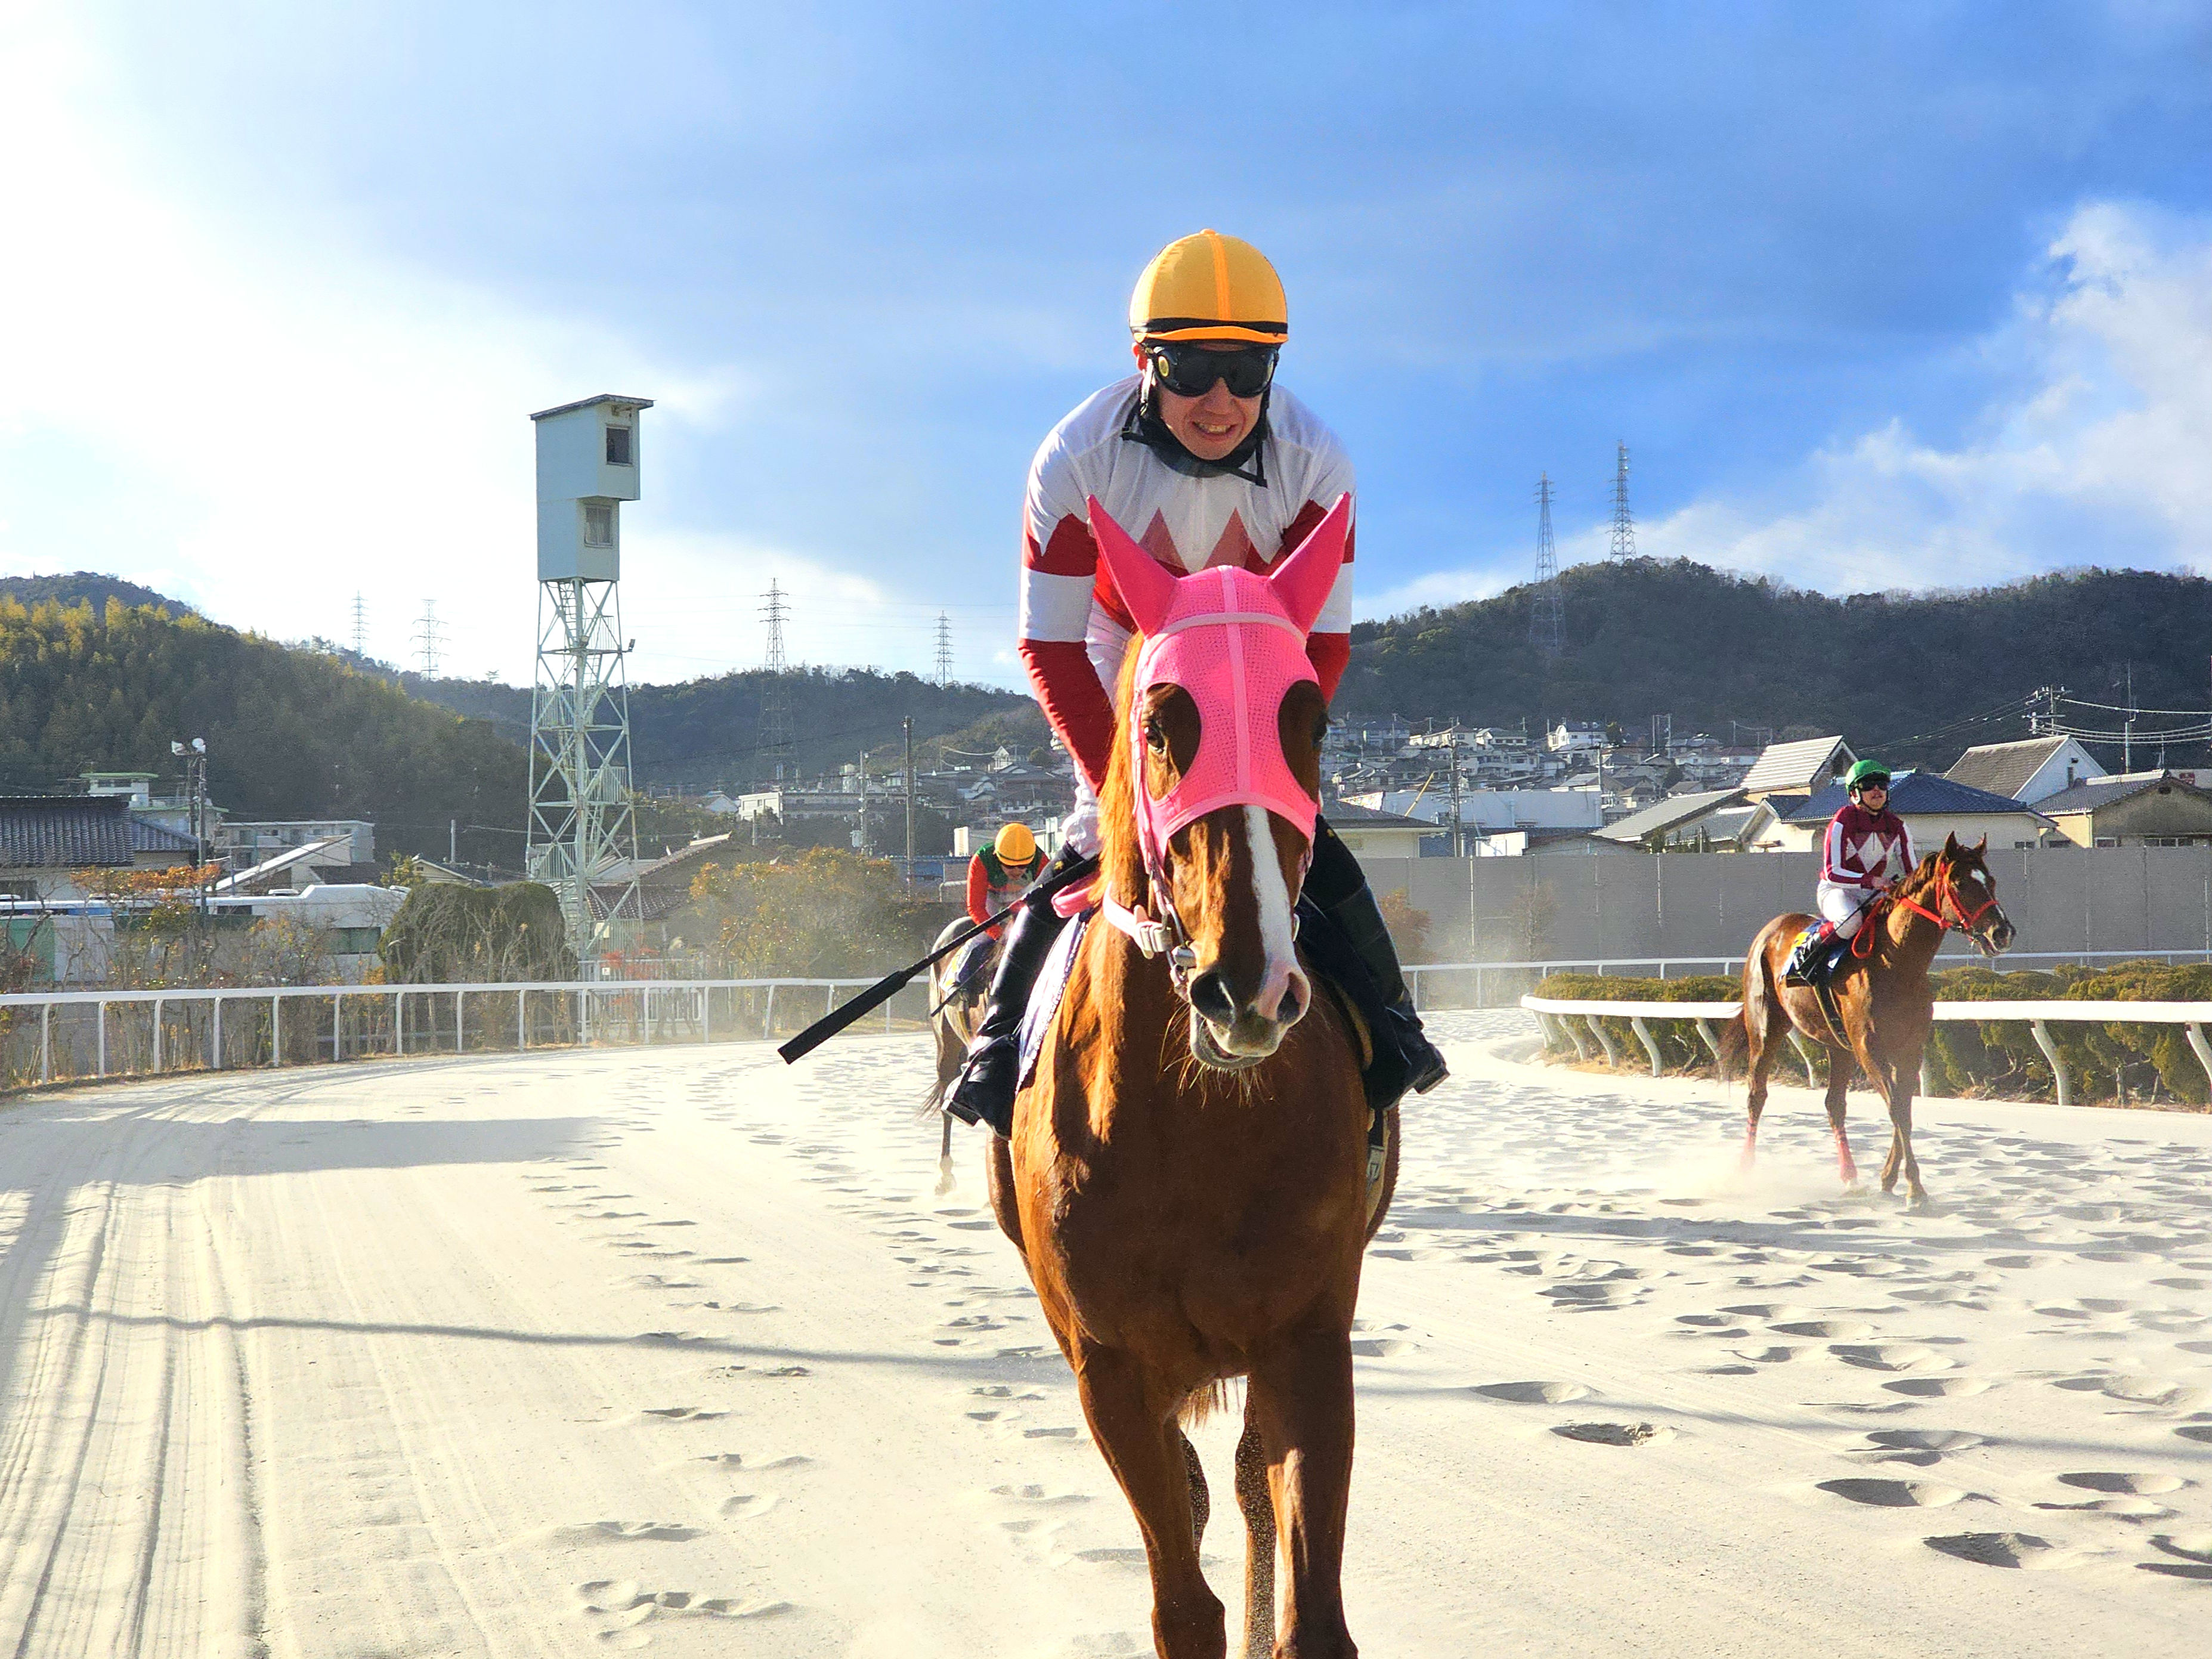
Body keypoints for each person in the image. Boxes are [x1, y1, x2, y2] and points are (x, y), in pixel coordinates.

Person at [945, 229, 1448, 1134]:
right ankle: (997, 1045)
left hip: (1259, 641)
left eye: (1247, 371)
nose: (1219, 400)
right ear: (1145, 359)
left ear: (1274, 368)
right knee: (1087, 838)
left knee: (1279, 826)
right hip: (1121, 639)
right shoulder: (1072, 457)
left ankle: (1393, 1026)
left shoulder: (1317, 460)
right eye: (1191, 370)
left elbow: (1322, 645)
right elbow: (1051, 645)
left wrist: (1280, 763)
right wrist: (1117, 786)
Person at [1785, 759, 1915, 987]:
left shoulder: (1898, 826)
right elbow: (1832, 872)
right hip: (1836, 890)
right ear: (1855, 793)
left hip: (1874, 892)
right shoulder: (1842, 821)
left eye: (1882, 785)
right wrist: (1873, 880)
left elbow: (1913, 872)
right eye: (1868, 785)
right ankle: (1806, 955)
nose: (1877, 790)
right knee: (1850, 922)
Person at [968, 821, 1047, 935]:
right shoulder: (981, 860)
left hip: (1025, 895)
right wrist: (999, 935)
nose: (1016, 871)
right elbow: (975, 907)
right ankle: (967, 953)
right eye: (1009, 865)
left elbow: (1050, 896)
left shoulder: (1041, 859)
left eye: (1023, 866)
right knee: (982, 938)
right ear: (997, 857)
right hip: (991, 898)